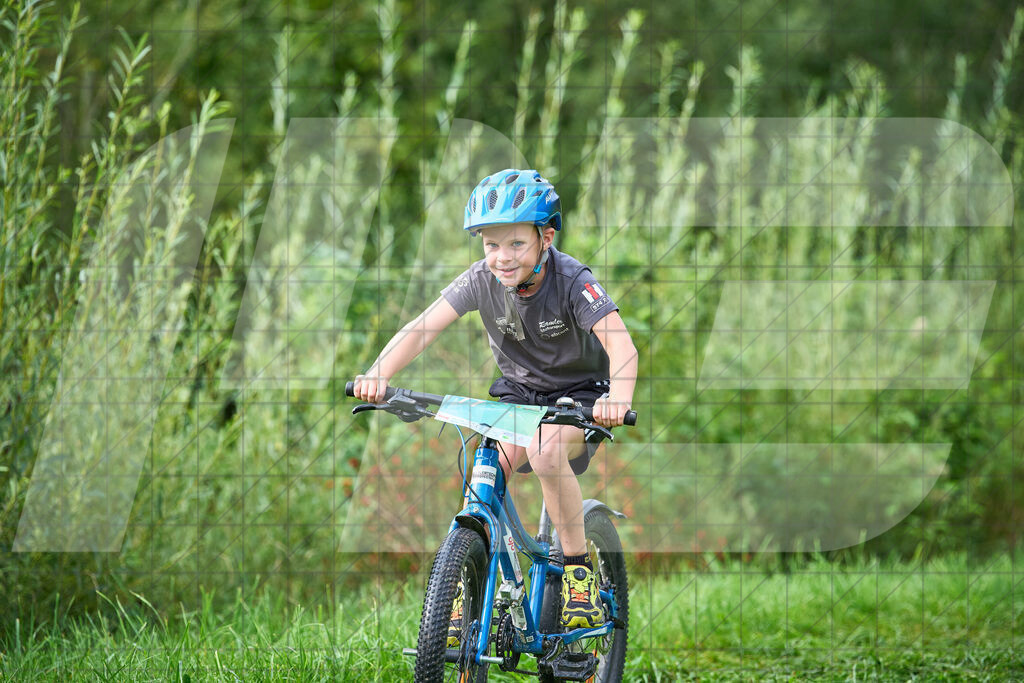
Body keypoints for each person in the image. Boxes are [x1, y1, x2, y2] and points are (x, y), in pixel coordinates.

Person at [352, 169, 638, 633]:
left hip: (580, 397)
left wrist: (617, 399)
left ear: (545, 238)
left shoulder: (572, 280)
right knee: (484, 466)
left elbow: (622, 347)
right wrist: (378, 374)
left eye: (516, 244)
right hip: (520, 394)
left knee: (546, 451)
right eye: (491, 245)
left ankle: (578, 574)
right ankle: (464, 585)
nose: (502, 257)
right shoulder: (481, 280)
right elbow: (422, 328)